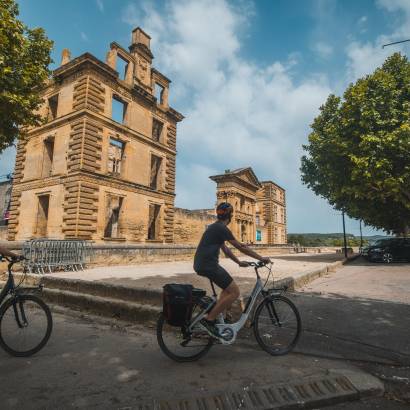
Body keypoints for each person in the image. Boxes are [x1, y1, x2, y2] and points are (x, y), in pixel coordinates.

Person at [193, 202, 271, 337]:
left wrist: (239, 262)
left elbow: (226, 249)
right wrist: (261, 258)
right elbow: (240, 246)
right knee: (234, 292)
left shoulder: (215, 227)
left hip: (203, 264)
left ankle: (220, 318)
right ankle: (209, 320)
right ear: (230, 216)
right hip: (209, 265)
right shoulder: (221, 228)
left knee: (226, 289)